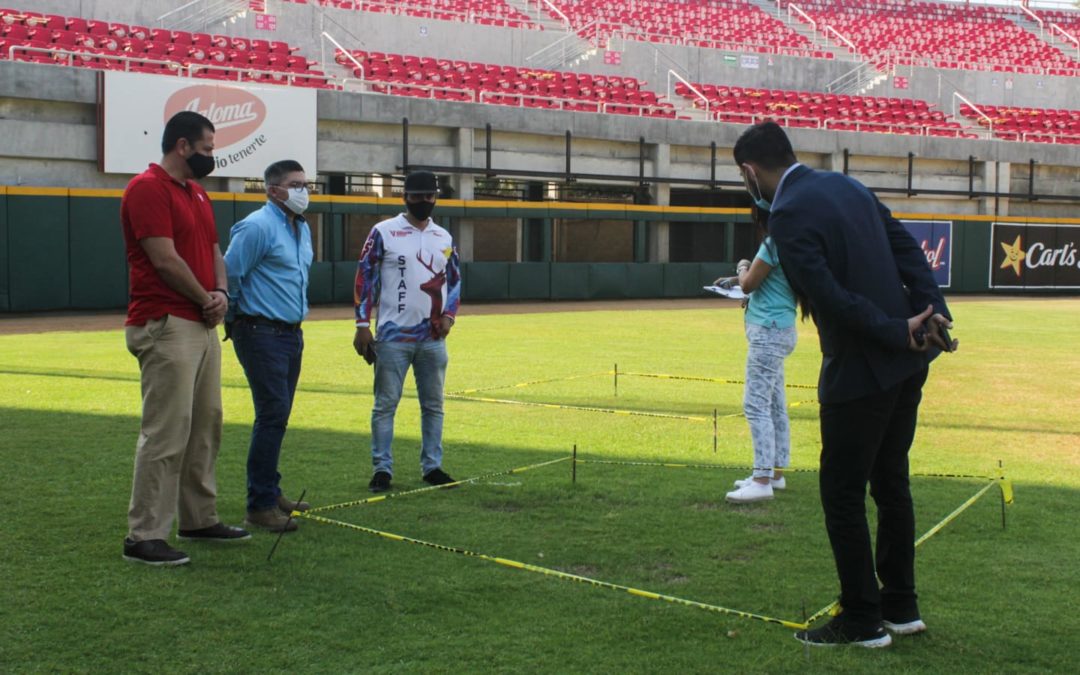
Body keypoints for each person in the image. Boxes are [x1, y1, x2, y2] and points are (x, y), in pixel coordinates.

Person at [732, 121, 955, 647]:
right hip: (904, 367)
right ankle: (901, 607)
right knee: (891, 483)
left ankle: (861, 618)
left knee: (842, 493)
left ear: (750, 171)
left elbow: (828, 296)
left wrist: (896, 332)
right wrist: (934, 313)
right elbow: (906, 248)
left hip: (862, 372)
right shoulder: (846, 184)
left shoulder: (785, 215)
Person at [121, 110, 250, 567]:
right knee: (166, 430)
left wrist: (220, 293)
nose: (210, 157)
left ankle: (198, 518)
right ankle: (144, 535)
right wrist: (206, 298)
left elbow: (213, 250)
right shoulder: (146, 188)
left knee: (205, 424)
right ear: (183, 146)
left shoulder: (196, 192)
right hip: (165, 321)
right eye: (207, 149)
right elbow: (164, 259)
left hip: (198, 321)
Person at [353, 171, 462, 493]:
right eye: (418, 196)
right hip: (391, 336)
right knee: (385, 405)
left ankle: (433, 467)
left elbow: (454, 279)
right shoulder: (383, 232)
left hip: (432, 338)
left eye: (430, 196)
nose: (424, 201)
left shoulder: (444, 236)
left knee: (434, 405)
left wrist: (450, 316)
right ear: (405, 196)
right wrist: (362, 325)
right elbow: (365, 277)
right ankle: (382, 469)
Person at [223, 160, 314, 533]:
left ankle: (269, 491)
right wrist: (233, 318)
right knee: (272, 413)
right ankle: (259, 504)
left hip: (290, 333)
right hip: (260, 330)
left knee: (278, 415)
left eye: (305, 184)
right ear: (273, 190)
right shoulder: (257, 226)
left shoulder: (300, 228)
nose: (302, 190)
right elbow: (230, 273)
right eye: (295, 184)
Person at [717, 204, 799, 504]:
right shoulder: (792, 243)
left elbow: (750, 282)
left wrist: (741, 268)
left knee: (755, 405)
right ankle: (774, 473)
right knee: (775, 404)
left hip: (768, 332)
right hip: (781, 328)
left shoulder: (771, 243)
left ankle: (762, 479)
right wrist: (739, 277)